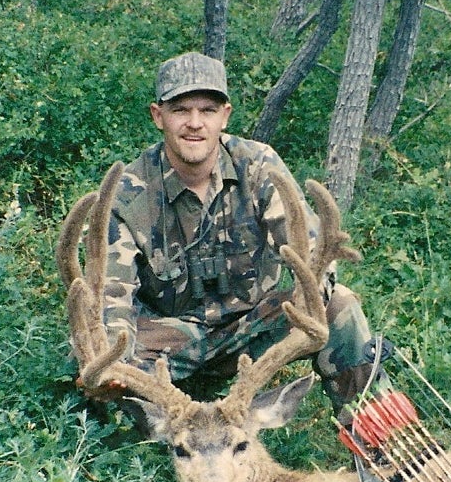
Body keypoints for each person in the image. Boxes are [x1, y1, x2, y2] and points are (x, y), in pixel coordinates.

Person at [95, 51, 384, 424]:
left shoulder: (258, 165)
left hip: (250, 326)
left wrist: (311, 295)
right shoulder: (128, 193)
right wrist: (115, 359)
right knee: (99, 362)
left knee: (338, 307)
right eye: (181, 110)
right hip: (171, 341)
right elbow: (110, 295)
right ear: (158, 116)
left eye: (208, 110)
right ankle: (133, 469)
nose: (194, 123)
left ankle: (381, 442)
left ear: (225, 116)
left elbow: (311, 255)